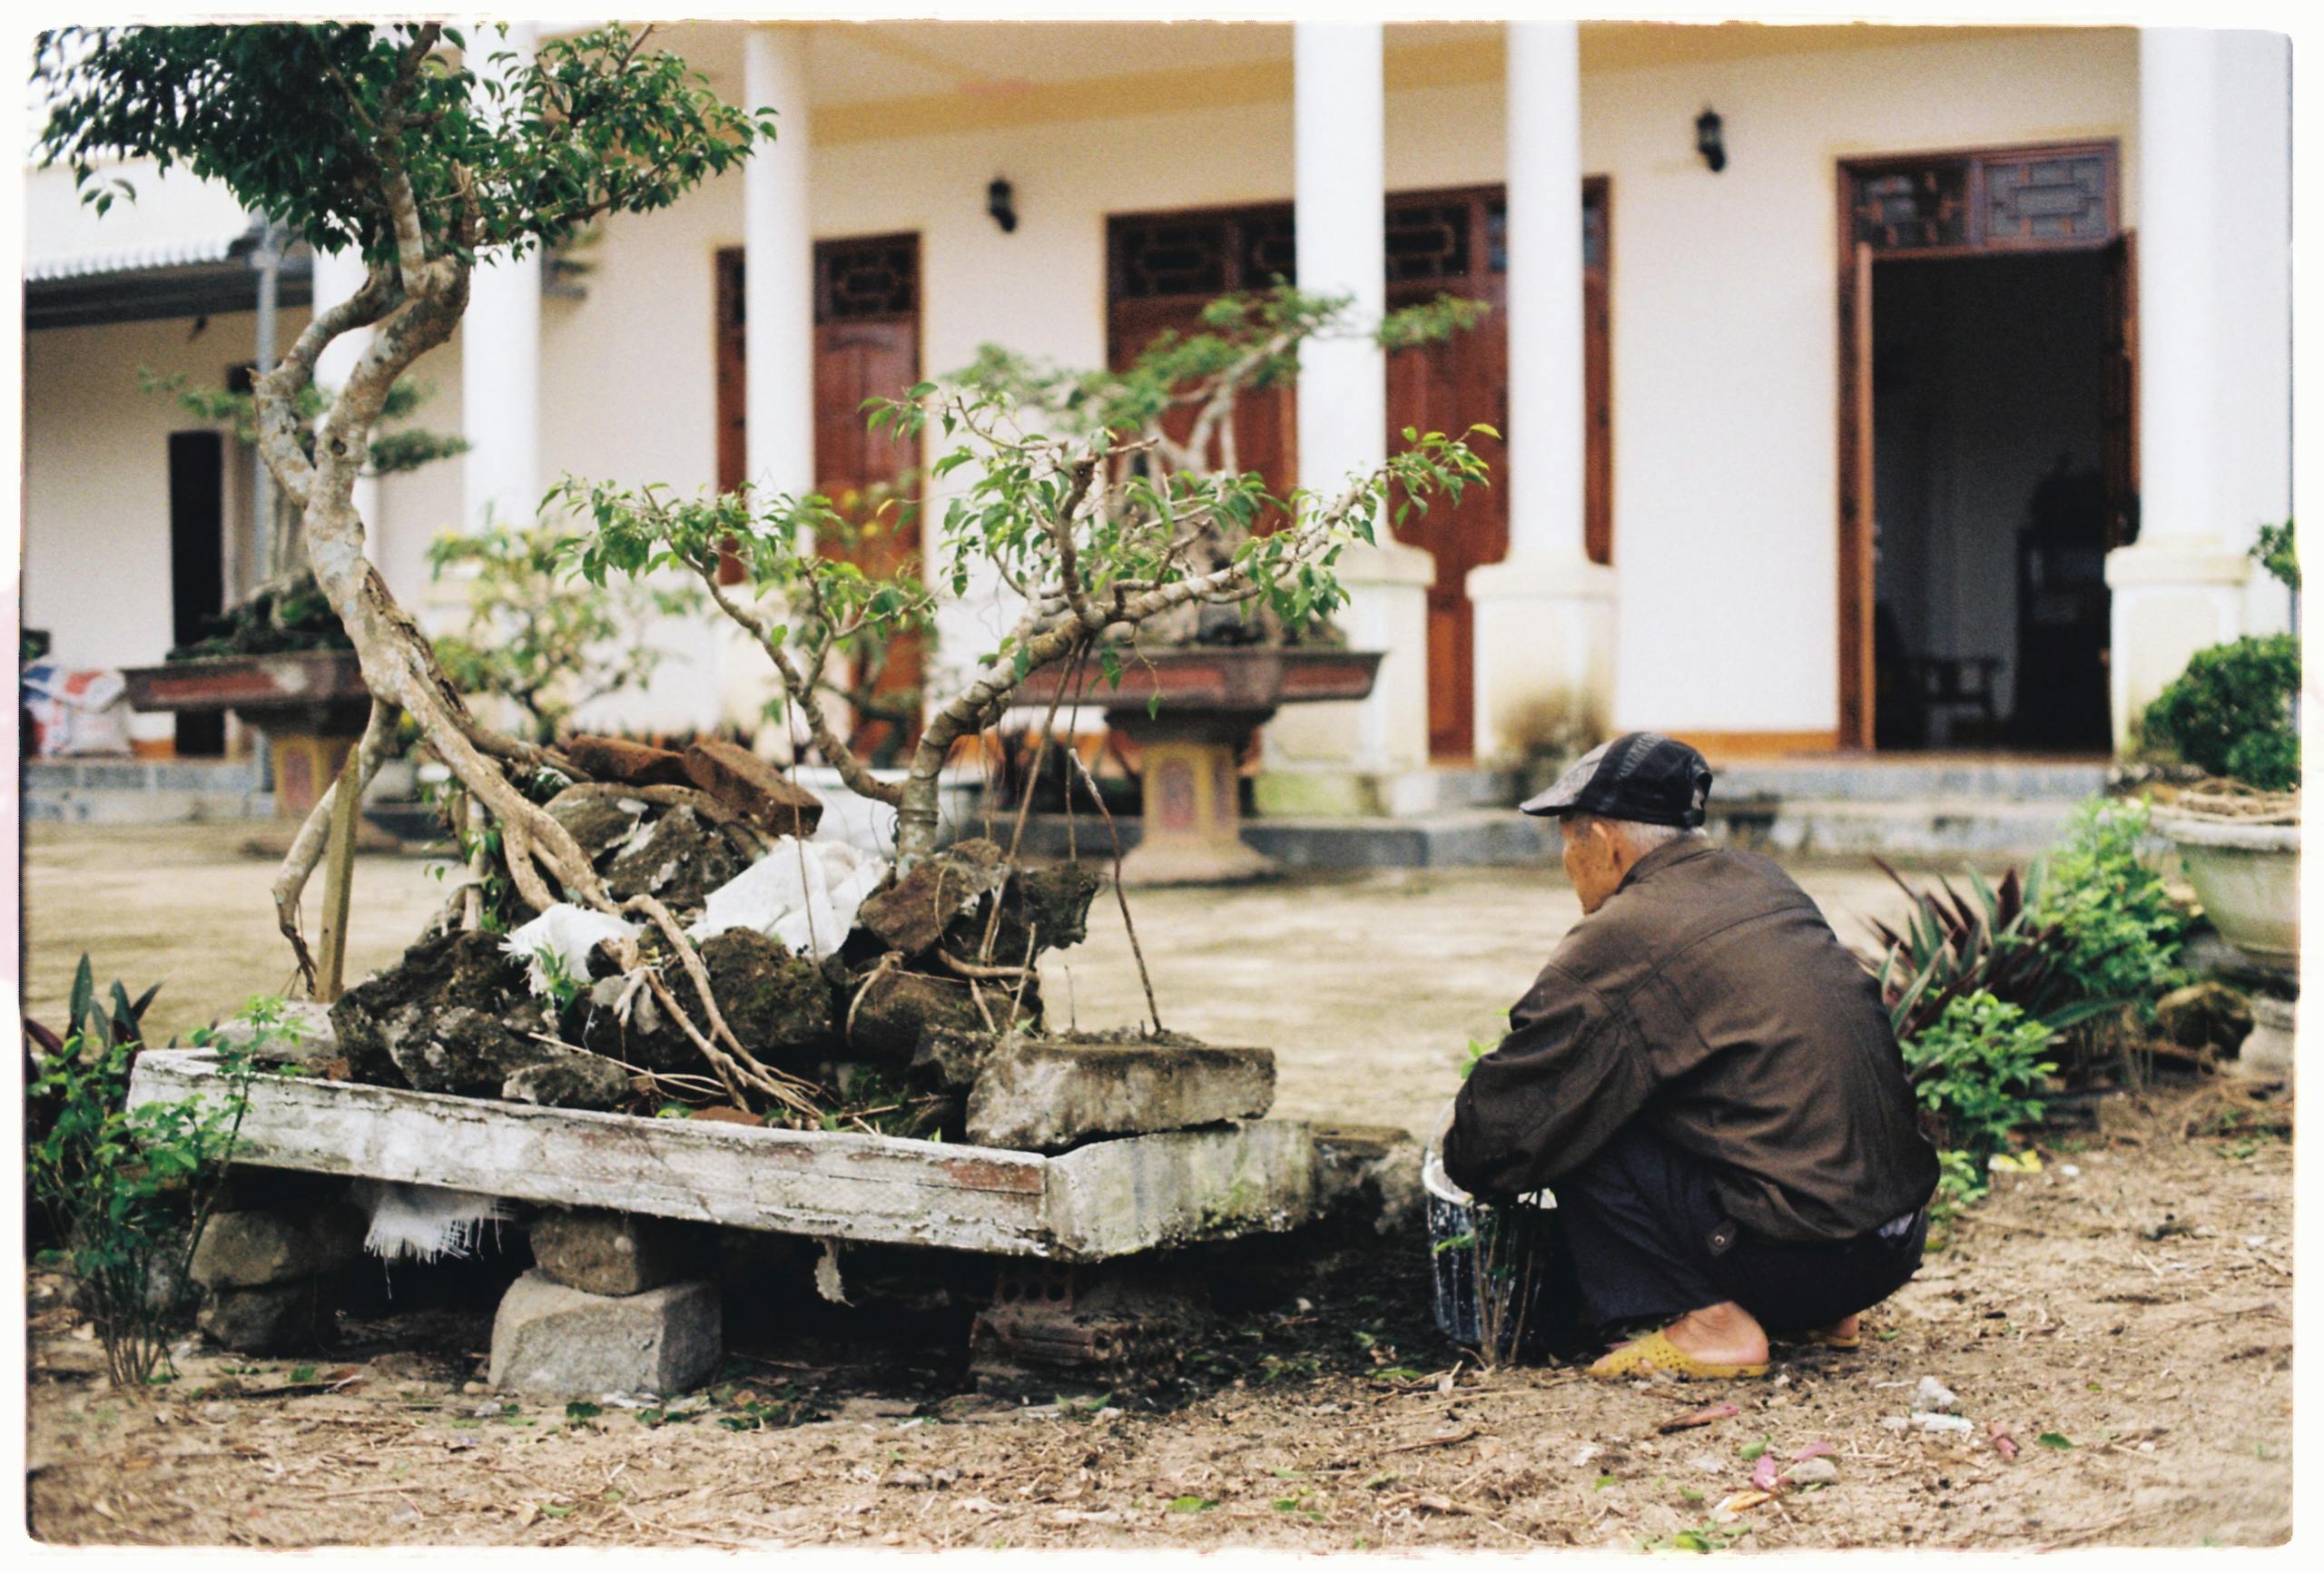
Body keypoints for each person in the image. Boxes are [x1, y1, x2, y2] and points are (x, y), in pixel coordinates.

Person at [1443, 732, 1937, 1380]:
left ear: (1604, 842)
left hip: (1799, 1262)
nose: (1566, 862)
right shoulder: (1761, 879)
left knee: (1581, 1111)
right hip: (1893, 1245)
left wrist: (1467, 1153)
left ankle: (1715, 1326)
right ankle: (1829, 1314)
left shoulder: (1624, 935)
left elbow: (1500, 1134)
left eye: (1567, 841)